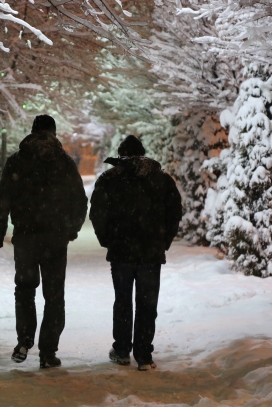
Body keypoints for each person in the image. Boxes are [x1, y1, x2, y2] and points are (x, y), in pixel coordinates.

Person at [0, 114, 87, 369]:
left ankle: (24, 340)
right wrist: (72, 229)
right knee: (54, 296)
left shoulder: (17, 160)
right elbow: (79, 199)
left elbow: (3, 197)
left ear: (32, 131)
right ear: (54, 133)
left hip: (26, 237)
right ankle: (48, 352)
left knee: (24, 290)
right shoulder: (63, 161)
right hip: (55, 237)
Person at [89, 135, 182, 371]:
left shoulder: (110, 179)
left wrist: (107, 240)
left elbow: (97, 212)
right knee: (147, 304)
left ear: (121, 155)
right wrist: (163, 241)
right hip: (151, 251)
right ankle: (144, 355)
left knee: (123, 301)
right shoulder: (161, 179)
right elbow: (174, 213)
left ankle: (122, 350)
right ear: (143, 154)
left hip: (121, 251)